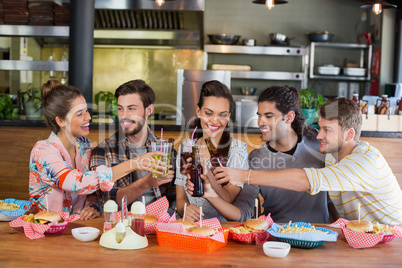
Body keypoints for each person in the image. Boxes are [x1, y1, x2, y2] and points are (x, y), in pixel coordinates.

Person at [213, 98, 402, 225]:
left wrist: (245, 175)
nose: (319, 135)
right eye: (319, 128)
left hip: (395, 241)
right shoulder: (330, 158)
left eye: (327, 130)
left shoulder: (365, 161)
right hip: (365, 241)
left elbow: (305, 180)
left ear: (349, 134)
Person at [187, 86, 332, 223]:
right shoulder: (257, 158)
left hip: (320, 235)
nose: (260, 122)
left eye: (269, 116)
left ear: (289, 117)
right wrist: (210, 194)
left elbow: (334, 194)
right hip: (276, 237)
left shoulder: (318, 142)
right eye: (259, 116)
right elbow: (242, 213)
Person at [28, 80, 167, 220]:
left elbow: (92, 192)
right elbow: (78, 184)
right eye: (79, 114)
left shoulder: (84, 146)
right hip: (45, 227)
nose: (88, 117)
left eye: (86, 111)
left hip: (77, 228)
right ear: (61, 121)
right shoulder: (43, 151)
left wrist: (93, 205)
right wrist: (135, 163)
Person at [90, 79, 175, 210]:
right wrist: (147, 182)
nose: (124, 116)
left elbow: (175, 196)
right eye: (120, 109)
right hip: (122, 225)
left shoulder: (165, 149)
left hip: (162, 224)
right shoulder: (103, 150)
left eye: (131, 109)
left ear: (148, 110)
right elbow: (107, 201)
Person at [175, 80, 249, 222]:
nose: (214, 121)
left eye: (222, 115)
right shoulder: (186, 147)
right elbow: (180, 198)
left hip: (223, 230)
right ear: (198, 111)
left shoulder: (238, 150)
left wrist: (206, 171)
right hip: (191, 227)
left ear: (228, 116)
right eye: (208, 113)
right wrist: (186, 209)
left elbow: (229, 198)